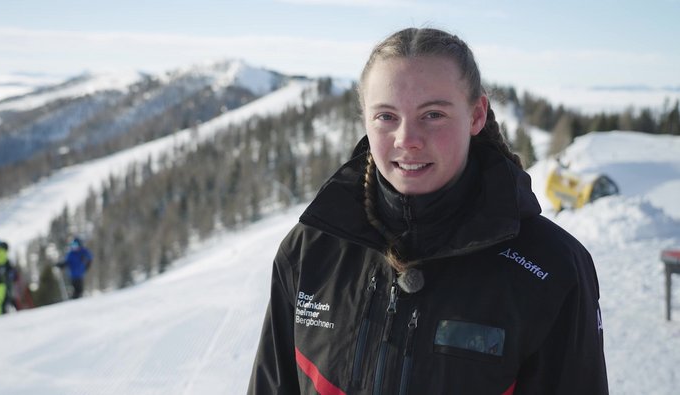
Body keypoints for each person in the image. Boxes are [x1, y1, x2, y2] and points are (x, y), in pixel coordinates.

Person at [248, 27, 608, 394]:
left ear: (476, 115)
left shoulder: (552, 268)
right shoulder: (310, 250)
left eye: (433, 114)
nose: (407, 140)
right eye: (386, 116)